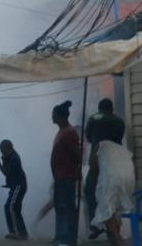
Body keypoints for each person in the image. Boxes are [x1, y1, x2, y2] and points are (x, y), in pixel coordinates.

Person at [83, 98, 125, 240]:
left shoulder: (94, 119)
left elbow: (89, 138)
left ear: (100, 109)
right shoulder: (119, 121)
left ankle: (96, 225)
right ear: (112, 109)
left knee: (90, 190)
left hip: (99, 161)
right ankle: (114, 232)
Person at [90, 140, 134, 246]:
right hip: (129, 177)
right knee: (116, 208)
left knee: (106, 208)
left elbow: (93, 167)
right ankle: (115, 237)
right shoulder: (120, 148)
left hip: (111, 177)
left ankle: (118, 240)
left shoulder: (99, 145)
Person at [50, 101, 81, 246]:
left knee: (66, 208)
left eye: (54, 115)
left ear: (60, 117)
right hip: (60, 176)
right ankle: (61, 237)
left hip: (67, 176)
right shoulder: (62, 132)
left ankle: (67, 240)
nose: (52, 117)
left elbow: (77, 156)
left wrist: (74, 169)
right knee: (61, 207)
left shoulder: (69, 133)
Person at [0, 139, 28, 241]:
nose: (1, 152)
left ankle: (15, 232)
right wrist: (2, 160)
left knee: (10, 207)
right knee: (15, 209)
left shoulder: (14, 158)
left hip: (18, 185)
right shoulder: (10, 157)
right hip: (16, 186)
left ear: (7, 148)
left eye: (2, 150)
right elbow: (6, 172)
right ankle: (23, 234)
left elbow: (6, 172)